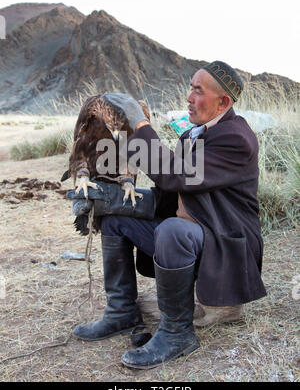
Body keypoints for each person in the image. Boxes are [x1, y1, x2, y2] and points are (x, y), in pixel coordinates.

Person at [72, 60, 267, 369]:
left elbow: (175, 175)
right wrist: (110, 197)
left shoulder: (235, 139)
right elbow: (170, 195)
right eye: (190, 87)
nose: (189, 97)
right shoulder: (194, 134)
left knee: (172, 230)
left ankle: (177, 334)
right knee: (115, 218)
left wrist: (140, 124)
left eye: (198, 91)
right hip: (195, 234)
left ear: (223, 102)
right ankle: (121, 312)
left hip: (224, 244)